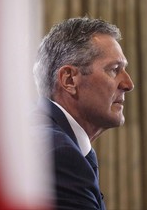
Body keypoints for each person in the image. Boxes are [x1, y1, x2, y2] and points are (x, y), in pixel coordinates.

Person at [31, 17, 134, 209]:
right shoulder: (60, 153)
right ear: (69, 80)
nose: (128, 84)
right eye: (114, 69)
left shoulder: (47, 135)